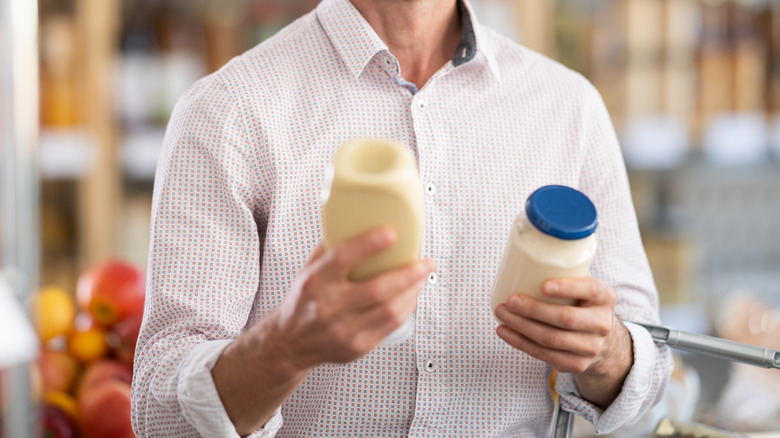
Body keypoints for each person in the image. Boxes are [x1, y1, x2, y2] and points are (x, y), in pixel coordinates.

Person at [131, 0, 673, 436]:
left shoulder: (567, 108)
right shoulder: (227, 111)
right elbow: (159, 417)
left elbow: (649, 381)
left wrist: (606, 353)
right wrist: (283, 348)